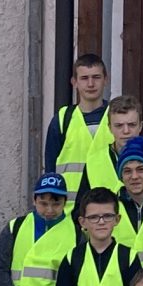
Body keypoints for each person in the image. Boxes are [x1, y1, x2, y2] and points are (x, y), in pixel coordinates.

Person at [46, 52, 118, 195]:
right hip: (70, 206)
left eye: (96, 77)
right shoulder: (63, 119)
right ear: (74, 82)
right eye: (84, 78)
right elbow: (50, 171)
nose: (90, 84)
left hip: (109, 204)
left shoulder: (118, 117)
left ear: (106, 80)